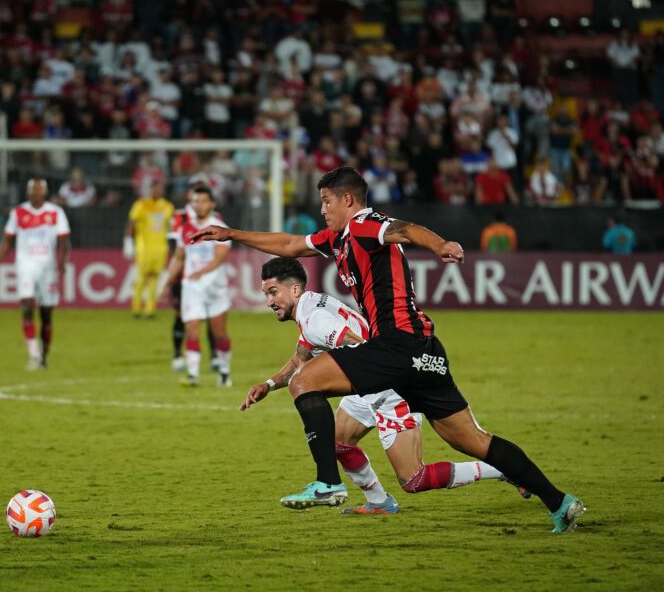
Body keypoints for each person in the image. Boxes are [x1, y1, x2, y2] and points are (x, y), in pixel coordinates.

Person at [191, 166, 584, 533]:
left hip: (397, 343)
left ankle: (328, 483)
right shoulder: (338, 239)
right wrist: (232, 234)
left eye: (327, 201)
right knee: (473, 441)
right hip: (424, 350)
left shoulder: (364, 224)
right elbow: (291, 244)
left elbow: (405, 229)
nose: (322, 209)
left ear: (347, 200)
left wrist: (439, 244)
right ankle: (560, 502)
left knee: (305, 381)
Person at [243, 257, 519, 514]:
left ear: (294, 289)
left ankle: (504, 469)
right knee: (337, 441)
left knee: (414, 479)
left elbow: (353, 342)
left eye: (273, 292)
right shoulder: (311, 305)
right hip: (366, 387)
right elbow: (301, 357)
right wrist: (268, 384)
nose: (269, 301)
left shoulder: (315, 319)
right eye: (266, 293)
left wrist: (368, 371)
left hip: (388, 388)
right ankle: (379, 502)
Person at [0, 179, 71, 371]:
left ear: (46, 192)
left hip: (48, 268)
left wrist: (63, 263)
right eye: (33, 189)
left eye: (40, 189)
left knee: (46, 314)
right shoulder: (18, 213)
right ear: (28, 192)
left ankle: (44, 356)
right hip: (25, 265)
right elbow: (7, 241)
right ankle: (33, 354)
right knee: (27, 304)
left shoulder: (56, 212)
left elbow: (65, 240)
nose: (36, 193)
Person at [161, 186, 232, 387]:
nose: (199, 204)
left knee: (219, 332)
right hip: (192, 288)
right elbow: (179, 257)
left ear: (212, 204)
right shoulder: (185, 229)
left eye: (203, 200)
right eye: (195, 201)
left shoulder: (220, 228)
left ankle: (225, 372)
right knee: (192, 329)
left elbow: (220, 257)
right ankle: (193, 375)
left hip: (215, 288)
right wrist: (167, 282)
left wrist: (202, 271)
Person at [124, 180, 173, 319]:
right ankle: (136, 308)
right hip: (144, 247)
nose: (158, 191)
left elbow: (170, 226)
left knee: (154, 279)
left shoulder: (167, 206)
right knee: (141, 278)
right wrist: (128, 241)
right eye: (156, 189)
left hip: (160, 247)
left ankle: (150, 310)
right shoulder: (141, 204)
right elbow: (132, 222)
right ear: (151, 190)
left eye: (160, 189)